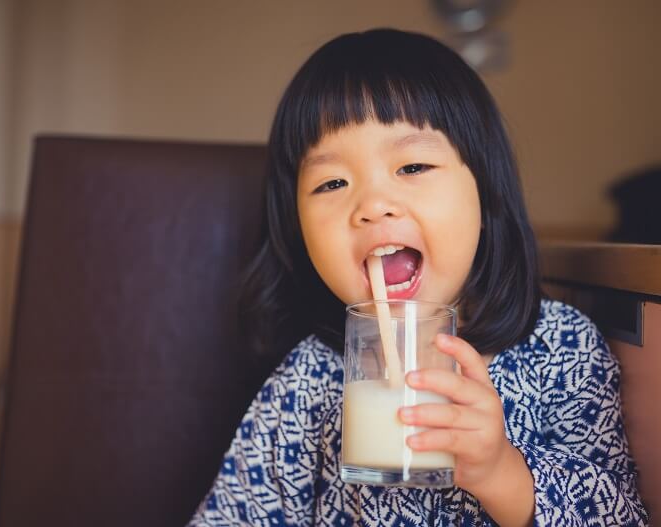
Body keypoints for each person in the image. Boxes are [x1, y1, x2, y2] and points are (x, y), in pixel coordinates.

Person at [188, 28, 648, 526]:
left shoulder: (563, 349)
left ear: (485, 194)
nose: (372, 206)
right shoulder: (308, 381)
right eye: (332, 182)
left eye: (412, 166)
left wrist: (502, 474)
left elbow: (619, 516)